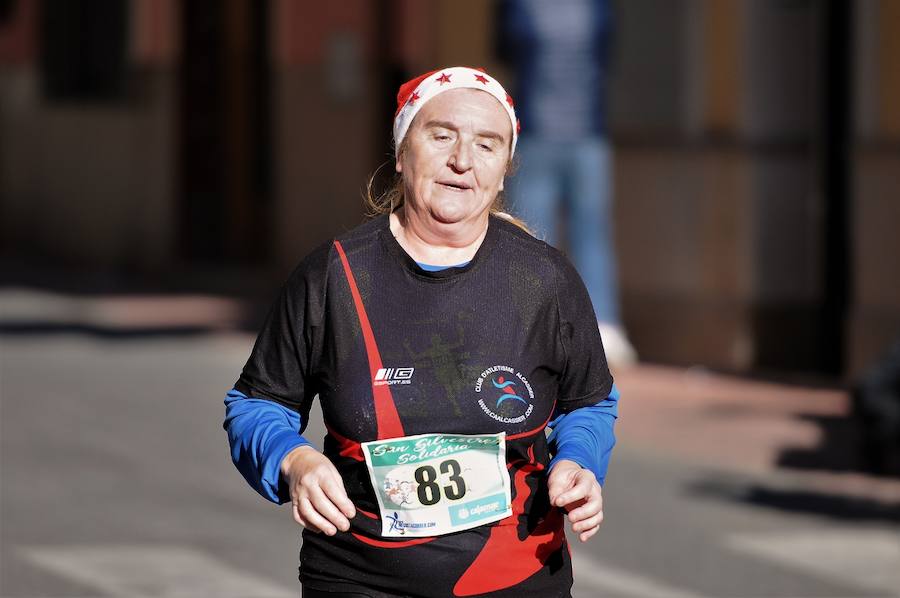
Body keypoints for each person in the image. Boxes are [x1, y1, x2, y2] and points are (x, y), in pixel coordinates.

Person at [224, 66, 621, 598]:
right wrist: (293, 460)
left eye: (487, 144)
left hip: (515, 574)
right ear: (402, 152)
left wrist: (579, 461)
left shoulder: (544, 281)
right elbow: (257, 403)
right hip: (360, 575)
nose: (462, 161)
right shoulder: (335, 276)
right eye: (441, 137)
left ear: (504, 170)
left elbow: (589, 401)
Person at [497, 0, 637, 365]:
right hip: (587, 130)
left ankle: (530, 328)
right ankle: (604, 327)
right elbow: (607, 55)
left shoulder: (520, 6)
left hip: (536, 130)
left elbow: (505, 49)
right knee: (591, 233)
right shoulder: (597, 7)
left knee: (531, 235)